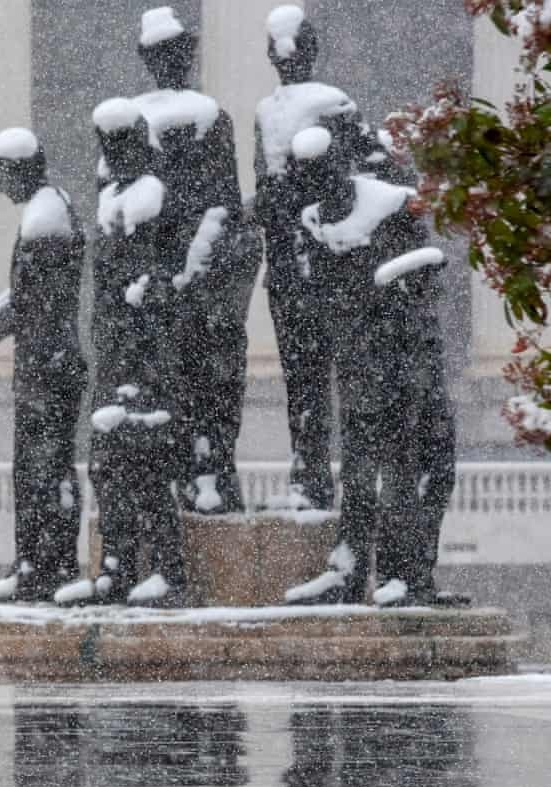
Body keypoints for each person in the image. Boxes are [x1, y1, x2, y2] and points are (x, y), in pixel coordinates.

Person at [281, 125, 467, 607]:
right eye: (310, 181)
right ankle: (359, 571)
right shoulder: (313, 223)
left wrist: (391, 306)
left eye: (324, 176)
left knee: (421, 465)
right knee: (367, 471)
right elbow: (313, 299)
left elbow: (427, 278)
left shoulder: (391, 205)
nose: (319, 189)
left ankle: (404, 572)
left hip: (407, 359)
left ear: (341, 166)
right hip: (364, 363)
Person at [254, 5, 410, 511]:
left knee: (338, 373)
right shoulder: (266, 111)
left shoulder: (333, 103)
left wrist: (333, 212)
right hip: (286, 263)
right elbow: (269, 184)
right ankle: (309, 477)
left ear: (310, 49)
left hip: (326, 263)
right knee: (302, 377)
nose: (287, 54)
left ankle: (347, 479)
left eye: (293, 44)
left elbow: (374, 167)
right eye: (280, 45)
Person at [53, 100, 189, 608]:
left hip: (145, 353)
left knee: (148, 465)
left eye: (122, 141)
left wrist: (146, 310)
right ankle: (116, 565)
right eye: (108, 143)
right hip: (113, 349)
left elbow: (163, 281)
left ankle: (167, 570)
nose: (116, 152)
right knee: (108, 467)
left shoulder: (154, 197)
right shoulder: (112, 196)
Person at [133, 5, 250, 516]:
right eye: (161, 54)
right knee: (183, 389)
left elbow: (225, 202)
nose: (170, 62)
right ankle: (193, 478)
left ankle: (211, 476)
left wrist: (192, 268)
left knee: (209, 389)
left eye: (175, 53)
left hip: (195, 281)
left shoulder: (206, 117)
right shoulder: (140, 119)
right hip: (168, 281)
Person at [0, 127, 89, 604]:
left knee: (42, 470)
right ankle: (40, 562)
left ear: (18, 169)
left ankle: (43, 565)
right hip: (47, 363)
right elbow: (26, 297)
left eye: (0, 175)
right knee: (41, 468)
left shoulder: (46, 218)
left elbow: (31, 300)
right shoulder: (47, 210)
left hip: (48, 365)